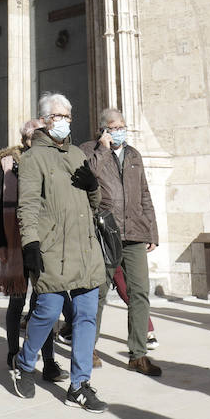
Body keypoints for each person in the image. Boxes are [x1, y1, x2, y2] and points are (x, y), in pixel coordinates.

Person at [10, 93, 108, 414]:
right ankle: (25, 363)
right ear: (44, 120)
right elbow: (27, 206)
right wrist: (30, 244)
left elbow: (93, 206)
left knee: (85, 316)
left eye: (67, 116)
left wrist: (93, 185)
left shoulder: (79, 154)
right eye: (58, 116)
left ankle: (79, 385)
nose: (64, 122)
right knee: (48, 312)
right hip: (52, 248)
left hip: (85, 247)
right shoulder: (32, 158)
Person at [81, 108, 162, 377]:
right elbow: (88, 178)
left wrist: (152, 230)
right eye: (114, 127)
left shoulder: (134, 154)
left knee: (139, 292)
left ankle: (138, 355)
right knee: (98, 293)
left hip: (136, 233)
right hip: (106, 232)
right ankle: (88, 348)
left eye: (122, 126)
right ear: (103, 129)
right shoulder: (89, 151)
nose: (120, 131)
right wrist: (103, 150)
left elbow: (145, 194)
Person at [0, 119, 63, 381]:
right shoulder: (10, 163)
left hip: (45, 240)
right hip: (15, 242)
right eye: (34, 135)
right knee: (17, 301)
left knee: (45, 302)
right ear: (26, 139)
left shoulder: (50, 159)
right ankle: (13, 353)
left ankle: (50, 360)